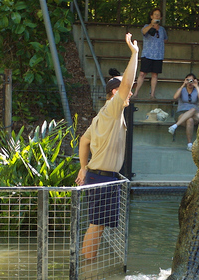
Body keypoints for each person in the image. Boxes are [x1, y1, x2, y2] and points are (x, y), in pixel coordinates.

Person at [75, 33, 138, 260]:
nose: (130, 92)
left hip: (99, 176)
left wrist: (83, 167)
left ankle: (87, 264)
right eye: (125, 90)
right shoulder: (112, 109)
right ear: (115, 92)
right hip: (102, 177)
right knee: (96, 225)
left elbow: (84, 140)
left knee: (97, 225)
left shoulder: (102, 115)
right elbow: (128, 83)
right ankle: (87, 267)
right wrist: (135, 53)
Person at [133, 8, 168, 100]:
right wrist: (152, 25)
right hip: (147, 54)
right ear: (151, 16)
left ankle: (152, 95)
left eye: (158, 15)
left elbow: (165, 39)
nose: (156, 16)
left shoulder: (162, 29)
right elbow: (143, 32)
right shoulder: (146, 26)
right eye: (155, 14)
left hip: (158, 55)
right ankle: (135, 93)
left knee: (155, 75)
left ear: (160, 17)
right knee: (142, 74)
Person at [168, 73, 199, 151]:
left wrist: (196, 86)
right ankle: (189, 144)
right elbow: (175, 97)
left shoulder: (197, 90)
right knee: (189, 120)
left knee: (193, 110)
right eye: (188, 80)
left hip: (195, 114)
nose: (190, 82)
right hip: (181, 113)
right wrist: (183, 85)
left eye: (191, 80)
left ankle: (175, 126)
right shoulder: (182, 89)